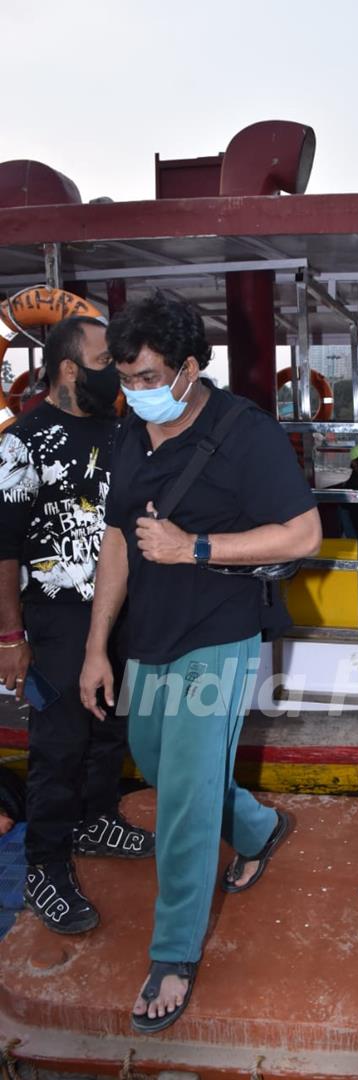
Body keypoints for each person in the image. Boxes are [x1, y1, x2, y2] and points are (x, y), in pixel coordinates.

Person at [79, 292, 321, 1035]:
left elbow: (304, 534)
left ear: (187, 369)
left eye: (148, 375)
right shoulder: (132, 430)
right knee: (159, 761)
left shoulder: (243, 432)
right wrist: (97, 646)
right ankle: (255, 829)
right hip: (148, 633)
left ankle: (174, 955)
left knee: (182, 799)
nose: (136, 390)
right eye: (125, 378)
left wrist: (198, 548)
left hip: (218, 629)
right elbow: (119, 541)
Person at [0, 317, 154, 935]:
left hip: (120, 609)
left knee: (109, 728)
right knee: (58, 745)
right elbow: (4, 547)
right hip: (56, 616)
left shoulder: (125, 432)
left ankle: (94, 819)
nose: (113, 370)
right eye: (102, 360)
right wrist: (11, 638)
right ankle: (45, 864)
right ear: (69, 370)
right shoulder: (23, 440)